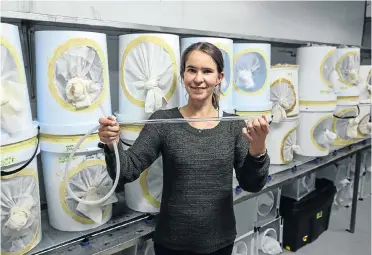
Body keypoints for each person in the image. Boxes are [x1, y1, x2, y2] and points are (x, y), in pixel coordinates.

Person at [98, 42, 270, 255]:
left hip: (219, 241)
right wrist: (111, 143)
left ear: (219, 77)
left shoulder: (234, 125)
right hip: (171, 243)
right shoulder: (163, 121)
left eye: (207, 71)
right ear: (183, 76)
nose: (198, 79)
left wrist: (258, 148)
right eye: (192, 70)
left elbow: (252, 184)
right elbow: (125, 171)